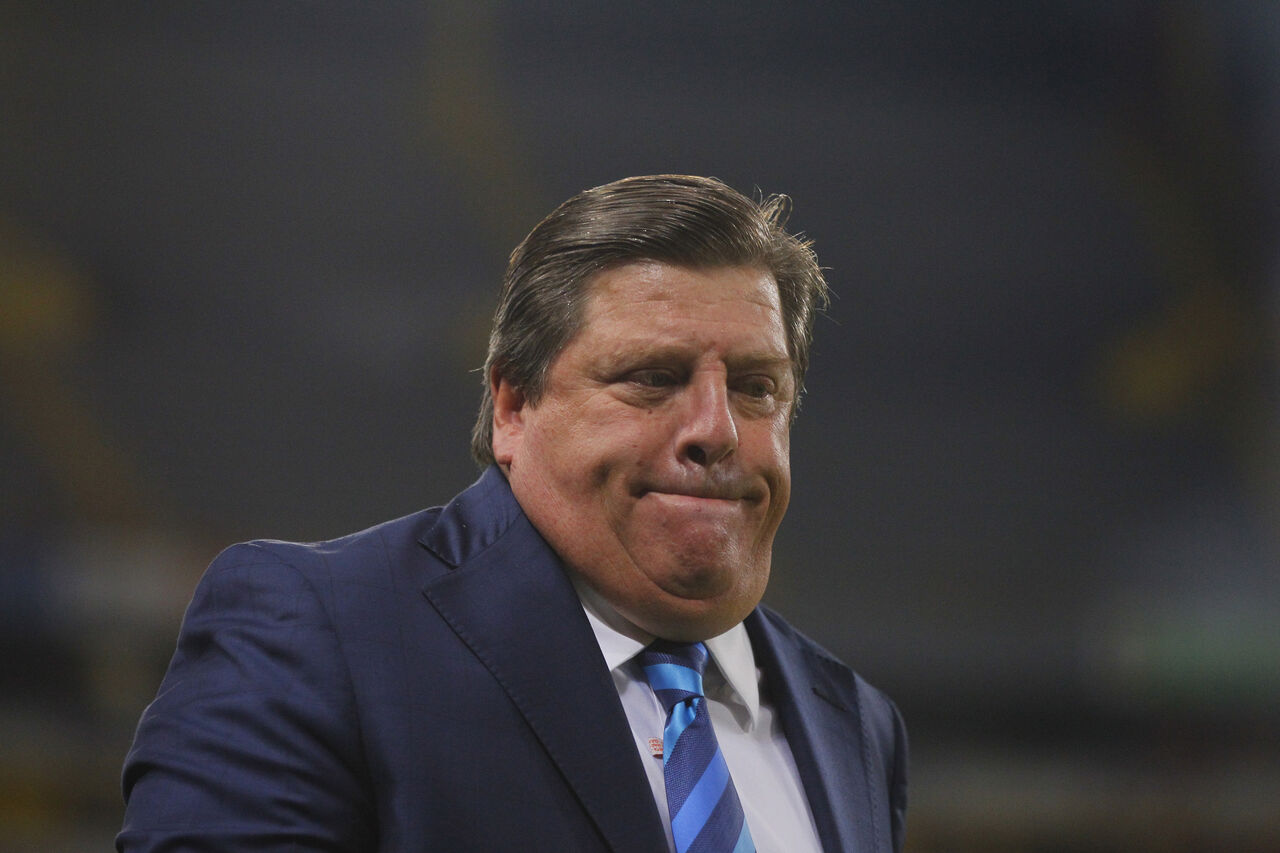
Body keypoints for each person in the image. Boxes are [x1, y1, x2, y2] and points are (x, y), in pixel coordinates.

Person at [117, 175, 908, 853]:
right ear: (513, 405)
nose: (717, 428)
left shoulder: (855, 723)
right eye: (652, 377)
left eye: (757, 387)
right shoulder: (312, 632)